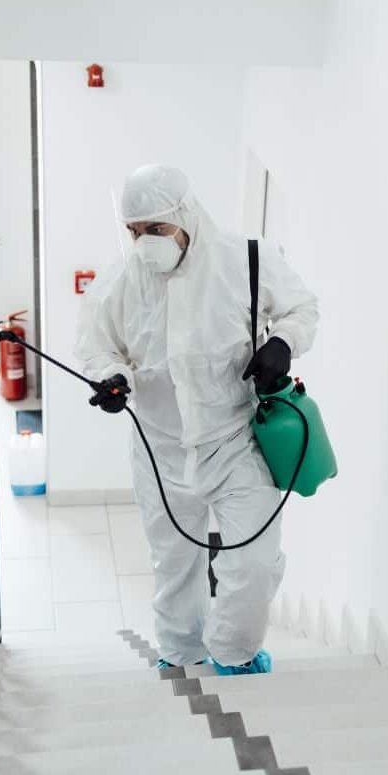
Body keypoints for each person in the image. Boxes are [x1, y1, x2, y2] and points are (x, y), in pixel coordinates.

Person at [75, 165, 319, 674]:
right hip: (160, 449)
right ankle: (181, 652)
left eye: (156, 230)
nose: (145, 244)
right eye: (134, 232)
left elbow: (301, 309)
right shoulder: (120, 281)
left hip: (235, 441)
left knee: (251, 562)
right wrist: (113, 378)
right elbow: (98, 346)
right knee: (174, 564)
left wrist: (282, 342)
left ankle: (233, 653)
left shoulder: (246, 260)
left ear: (186, 216)